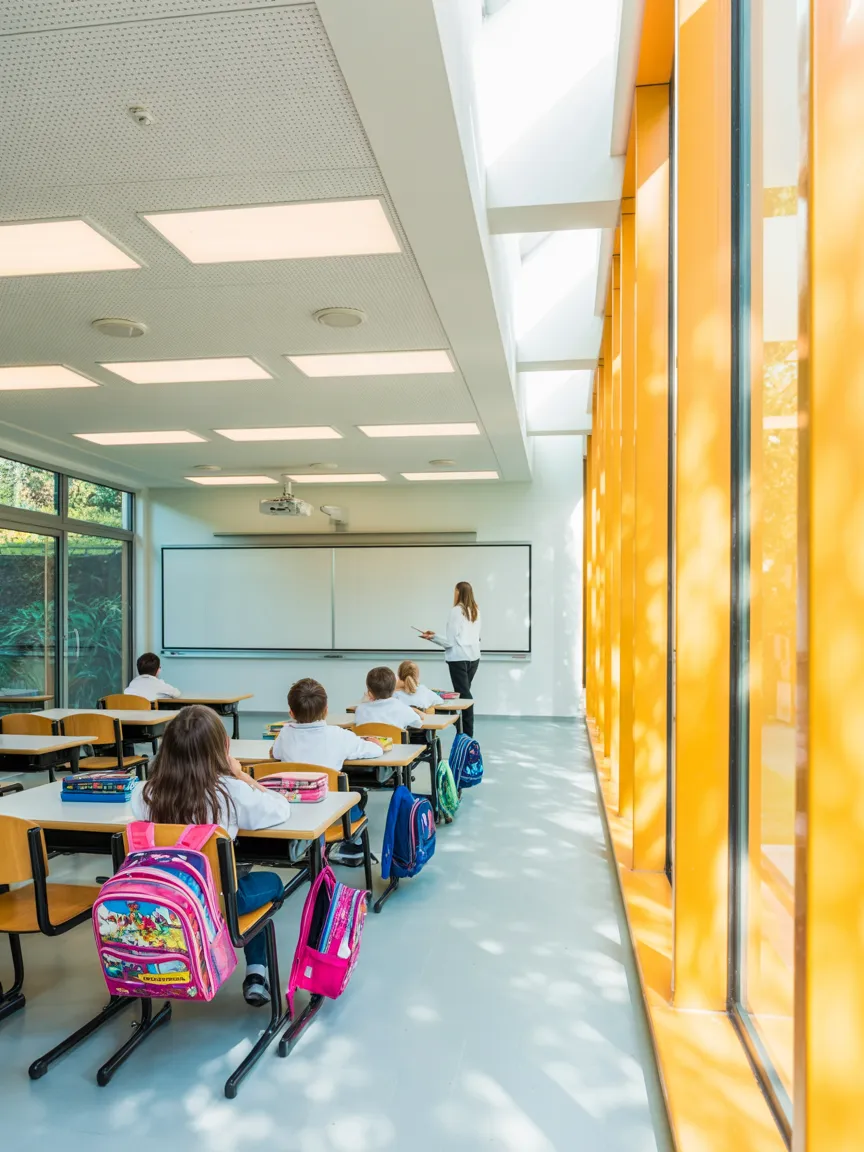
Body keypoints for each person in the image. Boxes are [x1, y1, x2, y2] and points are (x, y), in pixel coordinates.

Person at [129, 704, 291, 1008]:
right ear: (222, 748)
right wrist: (242, 776)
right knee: (271, 884)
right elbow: (280, 808)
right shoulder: (229, 792)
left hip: (163, 898)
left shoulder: (145, 793)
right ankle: (256, 972)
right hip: (215, 900)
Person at [270, 678, 384, 868]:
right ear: (326, 710)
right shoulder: (339, 735)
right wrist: (375, 741)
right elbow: (376, 750)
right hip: (331, 811)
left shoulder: (285, 733)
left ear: (291, 712)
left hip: (293, 809)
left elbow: (275, 753)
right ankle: (341, 846)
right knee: (358, 796)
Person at [421, 580, 481, 737]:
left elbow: (450, 641)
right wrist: (435, 635)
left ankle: (466, 734)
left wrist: (432, 638)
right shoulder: (475, 610)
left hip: (458, 658)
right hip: (474, 658)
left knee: (465, 696)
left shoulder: (456, 611)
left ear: (458, 592)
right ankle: (459, 726)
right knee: (462, 694)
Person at [355, 666, 425, 735]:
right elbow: (418, 723)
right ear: (394, 688)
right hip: (394, 746)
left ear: (369, 692)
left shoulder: (360, 709)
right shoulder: (401, 707)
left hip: (369, 746)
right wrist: (419, 713)